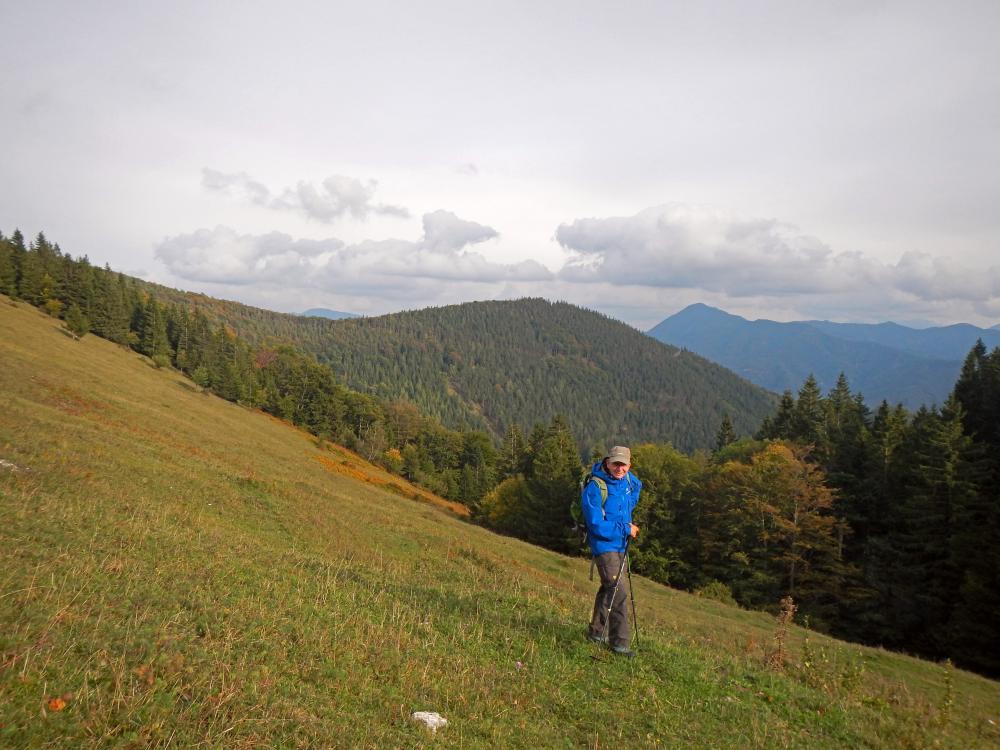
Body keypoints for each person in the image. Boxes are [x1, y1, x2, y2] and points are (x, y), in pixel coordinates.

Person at [581, 445, 641, 656]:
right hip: (603, 544)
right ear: (607, 462)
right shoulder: (595, 488)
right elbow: (595, 524)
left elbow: (635, 491)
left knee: (610, 587)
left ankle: (597, 632)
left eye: (623, 464)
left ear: (629, 465)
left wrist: (625, 520)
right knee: (618, 590)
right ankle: (620, 643)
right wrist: (624, 527)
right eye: (615, 463)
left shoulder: (629, 482)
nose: (619, 468)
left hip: (620, 544)